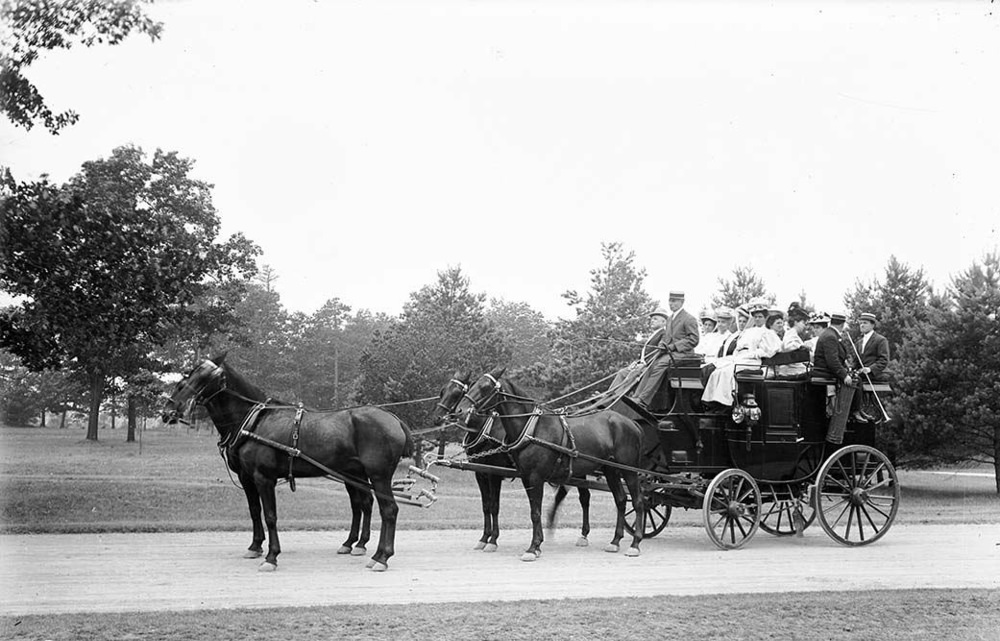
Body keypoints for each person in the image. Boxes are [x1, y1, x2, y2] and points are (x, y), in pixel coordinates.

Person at [701, 298, 780, 407]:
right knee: (717, 369)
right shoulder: (748, 331)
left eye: (760, 317)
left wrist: (752, 354)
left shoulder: (768, 333)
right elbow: (739, 347)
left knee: (727, 371)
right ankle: (712, 400)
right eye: (755, 317)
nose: (757, 319)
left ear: (766, 318)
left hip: (754, 361)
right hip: (741, 357)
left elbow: (768, 351)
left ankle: (726, 402)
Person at [630, 291, 700, 409]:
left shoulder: (689, 319)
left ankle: (643, 399)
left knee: (660, 364)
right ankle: (636, 396)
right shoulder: (670, 319)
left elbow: (694, 339)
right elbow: (667, 338)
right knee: (652, 364)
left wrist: (674, 346)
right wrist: (662, 345)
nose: (671, 303)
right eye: (670, 301)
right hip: (671, 353)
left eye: (674, 301)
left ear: (681, 302)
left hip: (684, 354)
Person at [812, 312, 857, 444]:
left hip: (825, 370)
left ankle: (855, 411)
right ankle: (853, 412)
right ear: (842, 324)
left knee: (855, 378)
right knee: (855, 381)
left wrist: (845, 369)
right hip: (825, 372)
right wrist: (844, 375)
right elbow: (832, 361)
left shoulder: (829, 334)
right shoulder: (831, 336)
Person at [607, 308, 669, 394]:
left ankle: (617, 397)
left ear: (663, 322)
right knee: (622, 372)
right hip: (641, 364)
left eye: (655, 319)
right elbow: (645, 352)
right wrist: (637, 362)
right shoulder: (653, 335)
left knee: (632, 374)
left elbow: (659, 351)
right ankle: (608, 394)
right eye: (652, 319)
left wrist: (645, 364)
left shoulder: (664, 334)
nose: (652, 321)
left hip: (649, 366)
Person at [849, 311, 890, 422]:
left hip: (875, 374)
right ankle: (853, 410)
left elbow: (883, 360)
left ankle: (857, 411)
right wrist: (850, 369)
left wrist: (870, 369)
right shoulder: (859, 342)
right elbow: (856, 362)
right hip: (862, 373)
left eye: (865, 323)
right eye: (860, 323)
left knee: (855, 381)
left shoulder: (880, 340)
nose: (862, 325)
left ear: (872, 325)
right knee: (849, 379)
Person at [772, 304, 811, 378]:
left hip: (794, 368)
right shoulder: (791, 333)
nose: (804, 326)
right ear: (796, 322)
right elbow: (788, 346)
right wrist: (801, 346)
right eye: (803, 323)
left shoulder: (793, 334)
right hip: (792, 371)